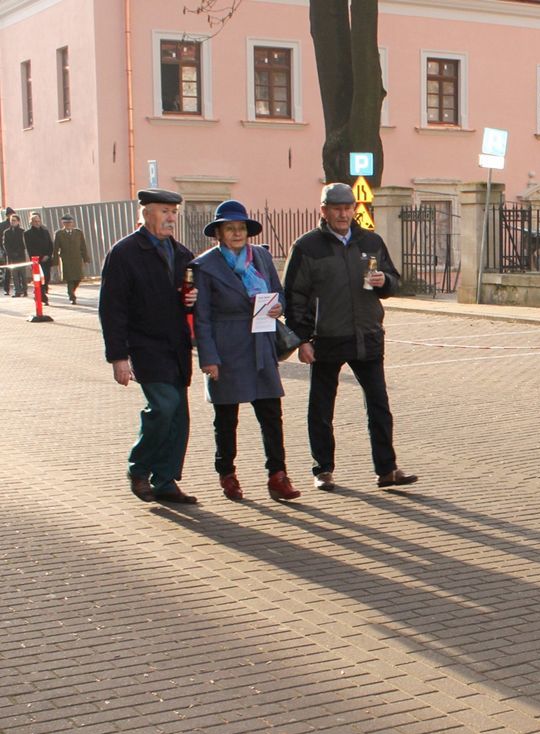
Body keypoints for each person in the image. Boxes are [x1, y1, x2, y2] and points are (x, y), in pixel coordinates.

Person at [283, 182, 416, 492]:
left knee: (379, 405)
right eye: (336, 209)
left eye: (348, 208)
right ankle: (323, 469)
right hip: (326, 338)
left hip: (367, 335)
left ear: (355, 209)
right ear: (324, 211)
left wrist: (386, 282)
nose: (343, 214)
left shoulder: (371, 241)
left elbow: (393, 281)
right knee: (321, 407)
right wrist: (302, 339)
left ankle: (386, 469)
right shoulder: (306, 247)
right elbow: (294, 297)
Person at [193, 200, 301, 502]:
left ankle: (277, 476)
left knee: (271, 413)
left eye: (241, 228)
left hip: (260, 343)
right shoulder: (205, 266)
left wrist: (279, 304)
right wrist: (209, 358)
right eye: (230, 228)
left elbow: (278, 291)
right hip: (226, 346)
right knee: (226, 417)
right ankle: (227, 474)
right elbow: (201, 317)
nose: (237, 233)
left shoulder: (262, 257)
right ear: (219, 233)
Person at [99, 189, 200, 504]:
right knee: (164, 406)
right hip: (144, 344)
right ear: (145, 214)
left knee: (179, 415)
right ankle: (139, 468)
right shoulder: (125, 252)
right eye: (164, 211)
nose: (171, 218)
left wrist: (192, 301)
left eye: (174, 212)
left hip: (177, 345)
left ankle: (166, 480)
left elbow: (191, 300)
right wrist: (118, 357)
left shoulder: (183, 254)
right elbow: (112, 308)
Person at [53, 214, 91, 304]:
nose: (68, 224)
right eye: (66, 223)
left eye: (70, 222)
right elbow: (55, 248)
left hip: (77, 258)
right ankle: (72, 296)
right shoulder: (59, 234)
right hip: (66, 259)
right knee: (70, 279)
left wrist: (86, 258)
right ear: (63, 223)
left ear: (72, 223)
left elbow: (83, 246)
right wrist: (55, 261)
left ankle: (72, 291)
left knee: (78, 278)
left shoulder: (78, 232)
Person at [24, 211, 54, 304]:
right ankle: (43, 297)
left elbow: (50, 244)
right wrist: (40, 257)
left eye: (38, 221)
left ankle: (40, 294)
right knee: (39, 279)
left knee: (47, 278)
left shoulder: (45, 232)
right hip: (37, 260)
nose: (37, 223)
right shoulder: (27, 233)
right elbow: (30, 248)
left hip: (47, 259)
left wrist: (48, 255)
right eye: (35, 221)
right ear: (31, 222)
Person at [3, 211, 29, 297]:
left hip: (20, 256)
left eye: (14, 220)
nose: (12, 222)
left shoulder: (22, 231)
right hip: (11, 257)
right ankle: (17, 291)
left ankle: (25, 290)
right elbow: (5, 244)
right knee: (14, 275)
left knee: (23, 275)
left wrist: (18, 252)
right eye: (11, 220)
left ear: (18, 221)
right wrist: (10, 253)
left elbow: (24, 244)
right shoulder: (6, 232)